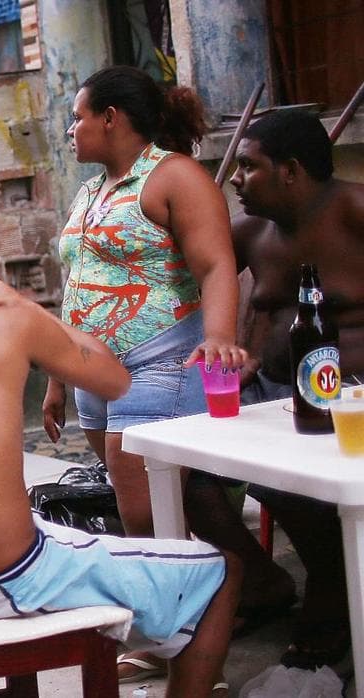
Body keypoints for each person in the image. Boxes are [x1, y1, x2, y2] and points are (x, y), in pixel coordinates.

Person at [0, 191, 241, 697]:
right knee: (219, 573)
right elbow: (115, 380)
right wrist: (26, 304)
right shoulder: (12, 324)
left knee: (46, 530)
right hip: (9, 579)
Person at [181, 109, 364, 671]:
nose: (235, 178)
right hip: (273, 397)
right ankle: (263, 581)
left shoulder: (356, 211)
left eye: (248, 166)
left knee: (288, 480)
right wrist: (238, 350)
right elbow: (190, 280)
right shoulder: (250, 232)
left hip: (351, 402)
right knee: (195, 482)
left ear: (290, 171)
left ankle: (333, 590)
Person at [44, 65, 247, 537]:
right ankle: (248, 581)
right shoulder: (92, 190)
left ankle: (206, 594)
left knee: (143, 519)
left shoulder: (174, 176)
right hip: (93, 373)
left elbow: (217, 265)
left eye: (78, 118)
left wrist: (219, 339)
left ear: (110, 117)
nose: (72, 130)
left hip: (160, 363)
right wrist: (57, 376)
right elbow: (78, 281)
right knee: (156, 506)